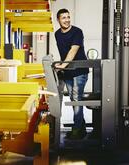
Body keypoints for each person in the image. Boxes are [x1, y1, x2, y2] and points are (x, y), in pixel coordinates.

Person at [54, 8, 89, 139]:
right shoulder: (57, 34)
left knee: (76, 99)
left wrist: (62, 65)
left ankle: (76, 130)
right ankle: (82, 128)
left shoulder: (77, 32)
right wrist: (61, 66)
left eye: (68, 17)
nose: (67, 20)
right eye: (63, 17)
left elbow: (73, 51)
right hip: (68, 72)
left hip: (80, 71)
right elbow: (63, 52)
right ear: (58, 20)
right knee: (75, 100)